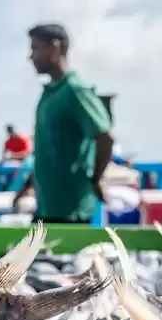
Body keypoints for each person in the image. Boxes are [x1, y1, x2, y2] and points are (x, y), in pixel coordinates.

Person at [14, 24, 114, 223]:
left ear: (54, 47)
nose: (31, 56)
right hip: (47, 206)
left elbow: (105, 136)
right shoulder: (50, 94)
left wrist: (95, 179)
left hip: (70, 210)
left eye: (35, 48)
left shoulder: (74, 91)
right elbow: (48, 150)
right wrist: (26, 187)